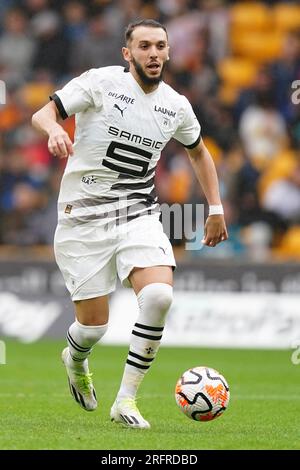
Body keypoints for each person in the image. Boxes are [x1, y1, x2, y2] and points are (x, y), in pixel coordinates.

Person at [32, 19, 228, 429]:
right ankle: (76, 357)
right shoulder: (100, 83)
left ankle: (126, 401)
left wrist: (215, 207)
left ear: (169, 52)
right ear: (128, 53)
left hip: (137, 213)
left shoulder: (176, 104)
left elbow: (198, 152)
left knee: (158, 297)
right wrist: (53, 129)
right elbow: (43, 113)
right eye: (144, 46)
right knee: (94, 326)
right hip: (81, 218)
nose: (153, 53)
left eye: (160, 45)